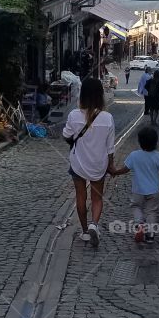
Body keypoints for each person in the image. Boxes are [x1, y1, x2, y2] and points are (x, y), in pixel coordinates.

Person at [62, 77, 116, 248]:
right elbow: (110, 148)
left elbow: (66, 135)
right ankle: (94, 224)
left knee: (80, 196)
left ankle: (85, 231)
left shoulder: (74, 115)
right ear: (100, 95)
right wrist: (111, 166)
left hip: (78, 162)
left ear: (82, 94)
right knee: (97, 198)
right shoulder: (107, 118)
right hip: (98, 164)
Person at [111, 125, 159, 245]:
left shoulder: (134, 155)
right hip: (154, 190)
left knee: (136, 206)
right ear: (155, 142)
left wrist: (115, 172)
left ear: (140, 141)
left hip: (138, 190)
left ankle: (139, 224)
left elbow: (125, 169)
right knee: (151, 211)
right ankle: (150, 235)